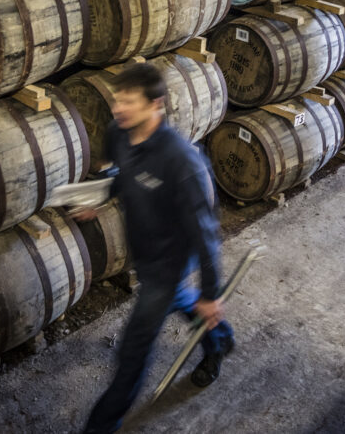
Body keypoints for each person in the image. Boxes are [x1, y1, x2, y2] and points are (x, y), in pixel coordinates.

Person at [74, 63, 234, 434]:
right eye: (117, 99)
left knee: (132, 352)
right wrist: (99, 197)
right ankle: (220, 340)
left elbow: (205, 235)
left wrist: (211, 295)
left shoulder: (181, 162)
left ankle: (100, 426)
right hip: (145, 250)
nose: (118, 108)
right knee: (180, 299)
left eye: (128, 101)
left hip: (171, 258)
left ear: (155, 105)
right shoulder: (120, 132)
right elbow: (122, 175)